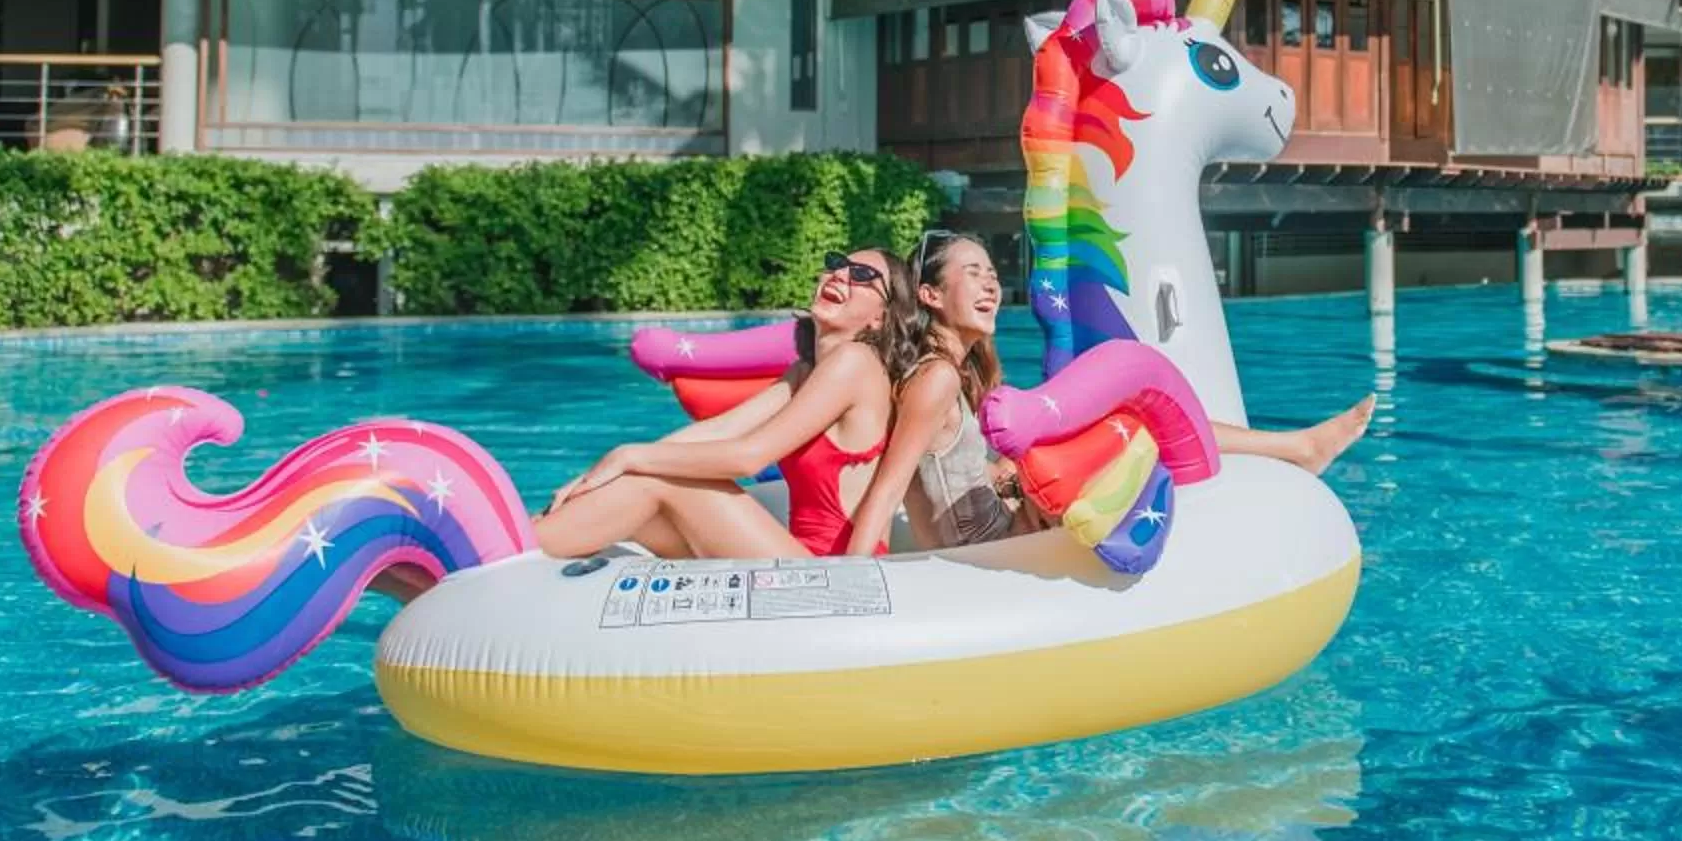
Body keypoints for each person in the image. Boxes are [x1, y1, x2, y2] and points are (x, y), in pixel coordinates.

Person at [847, 230, 1378, 557]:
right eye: (972, 273)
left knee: (1127, 426)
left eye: (992, 274)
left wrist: (1004, 476)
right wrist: (854, 584)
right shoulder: (936, 377)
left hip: (1003, 524)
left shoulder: (951, 373)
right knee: (1136, 414)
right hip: (996, 549)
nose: (990, 284)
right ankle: (1298, 449)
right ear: (930, 294)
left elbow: (946, 474)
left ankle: (1297, 449)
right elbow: (890, 490)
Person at [535, 248, 922, 561]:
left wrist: (628, 455)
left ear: (881, 318)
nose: (840, 275)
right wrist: (596, 474)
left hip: (825, 574)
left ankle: (512, 552)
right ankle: (525, 542)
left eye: (863, 277)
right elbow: (719, 431)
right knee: (637, 486)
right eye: (838, 264)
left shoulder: (856, 362)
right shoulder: (804, 372)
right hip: (795, 556)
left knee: (655, 480)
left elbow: (748, 458)